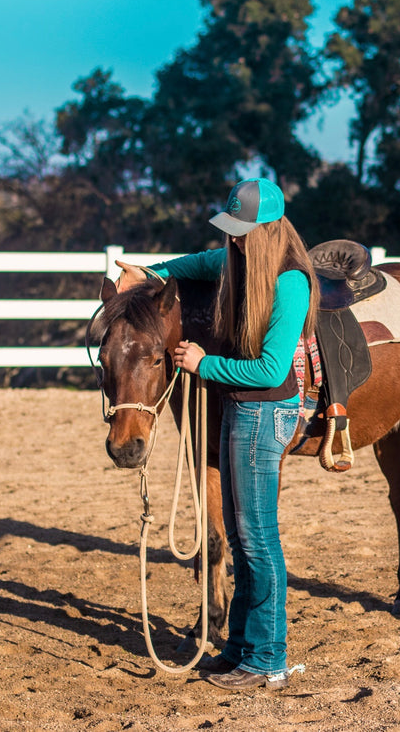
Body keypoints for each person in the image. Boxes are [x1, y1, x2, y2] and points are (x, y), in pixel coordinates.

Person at [118, 178, 319, 690]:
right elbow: (189, 265)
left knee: (258, 542)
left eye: (240, 233)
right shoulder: (236, 263)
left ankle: (269, 657)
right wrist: (148, 274)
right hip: (240, 412)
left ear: (269, 231)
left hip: (265, 413)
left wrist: (207, 364)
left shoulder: (290, 282)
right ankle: (240, 649)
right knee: (241, 537)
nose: (231, 241)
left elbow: (273, 370)